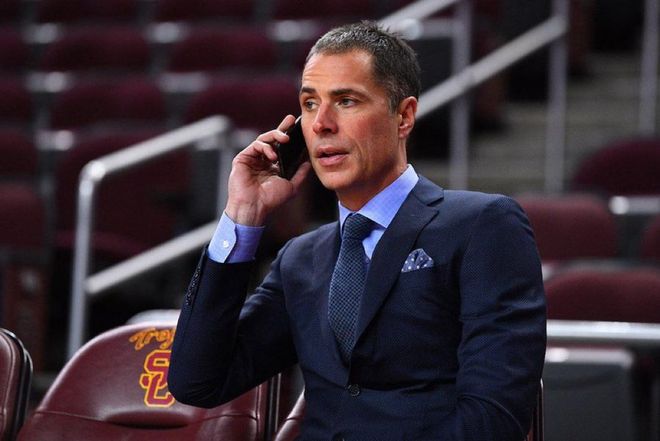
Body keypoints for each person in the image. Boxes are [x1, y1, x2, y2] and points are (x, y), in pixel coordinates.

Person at [169, 21, 546, 441]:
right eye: (309, 104)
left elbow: (492, 421)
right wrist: (243, 214)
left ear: (404, 116)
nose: (321, 124)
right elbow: (196, 382)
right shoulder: (299, 259)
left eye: (346, 101)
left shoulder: (482, 225)